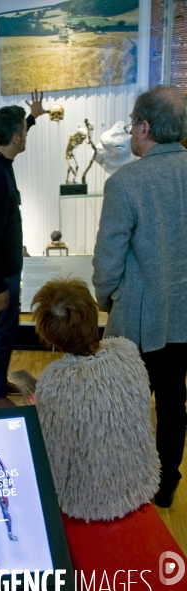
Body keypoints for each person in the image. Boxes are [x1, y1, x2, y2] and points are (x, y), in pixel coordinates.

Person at [92, 85, 187, 509]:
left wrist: (104, 297)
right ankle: (167, 483)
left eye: (132, 124)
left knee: (125, 404)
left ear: (145, 127)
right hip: (183, 317)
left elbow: (108, 258)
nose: (130, 132)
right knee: (173, 401)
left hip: (139, 320)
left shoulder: (125, 182)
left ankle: (127, 484)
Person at [32, 278, 160, 522]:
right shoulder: (128, 352)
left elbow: (54, 457)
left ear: (49, 335)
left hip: (89, 502)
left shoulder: (55, 383)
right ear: (93, 314)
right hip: (141, 481)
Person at [0, 90, 48, 409]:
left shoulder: (0, 157)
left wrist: (32, 116)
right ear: (16, 138)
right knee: (5, 331)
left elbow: (3, 226)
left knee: (6, 330)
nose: (26, 134)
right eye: (24, 130)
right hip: (3, 273)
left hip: (9, 265)